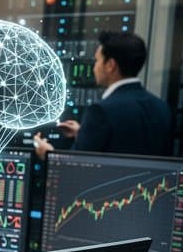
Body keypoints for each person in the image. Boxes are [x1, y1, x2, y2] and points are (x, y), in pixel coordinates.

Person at [34, 31, 173, 158]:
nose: (95, 67)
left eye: (97, 60)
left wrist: (48, 154)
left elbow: (76, 167)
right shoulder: (161, 107)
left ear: (110, 65)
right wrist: (83, 134)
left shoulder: (101, 111)